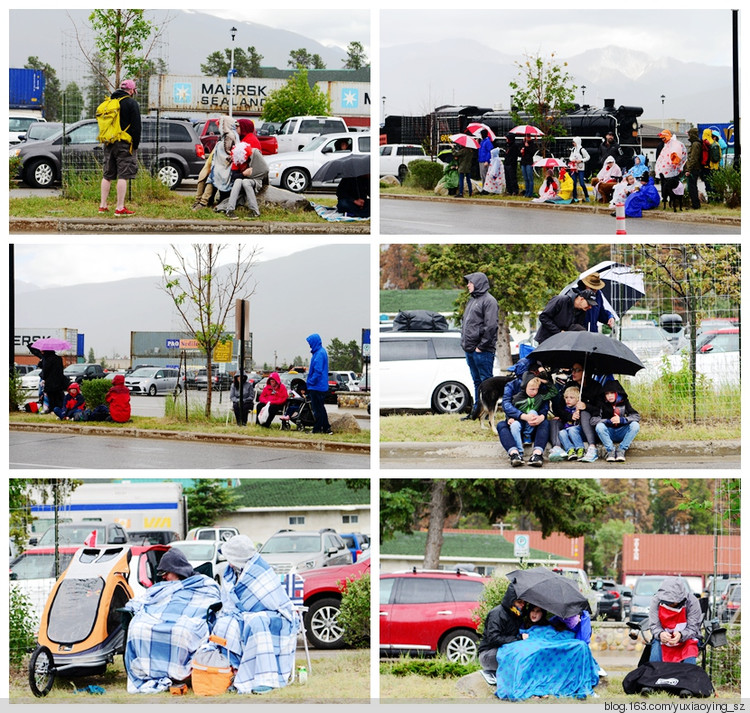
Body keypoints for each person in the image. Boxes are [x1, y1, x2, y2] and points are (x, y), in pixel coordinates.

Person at [123, 548, 222, 693]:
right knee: (138, 628)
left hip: (188, 616)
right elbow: (148, 599)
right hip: (160, 615)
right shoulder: (163, 587)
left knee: (181, 631)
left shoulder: (203, 583)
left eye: (165, 573)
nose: (163, 578)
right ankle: (150, 673)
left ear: (177, 570)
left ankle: (179, 673)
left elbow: (212, 599)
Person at [211, 535, 299, 693]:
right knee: (225, 624)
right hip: (244, 614)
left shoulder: (258, 570)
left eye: (230, 557)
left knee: (256, 621)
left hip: (277, 616)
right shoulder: (231, 572)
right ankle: (233, 670)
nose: (228, 561)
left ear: (239, 558)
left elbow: (273, 602)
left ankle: (266, 677)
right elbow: (228, 601)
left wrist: (245, 614)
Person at [494, 604, 600, 701]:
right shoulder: (523, 625)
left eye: (538, 611)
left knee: (581, 646)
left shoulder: (549, 624)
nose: (534, 614)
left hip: (551, 646)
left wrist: (579, 621)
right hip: (535, 647)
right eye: (532, 611)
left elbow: (559, 636)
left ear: (543, 613)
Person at [99, 79, 141, 217]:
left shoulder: (109, 102)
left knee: (107, 175)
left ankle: (103, 205)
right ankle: (119, 207)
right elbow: (136, 126)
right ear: (131, 90)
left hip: (109, 142)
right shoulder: (131, 103)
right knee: (123, 175)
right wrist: (135, 144)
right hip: (124, 143)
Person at [460, 272, 498, 421]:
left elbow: (491, 326)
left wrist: (481, 347)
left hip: (482, 351)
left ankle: (490, 415)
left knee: (487, 383)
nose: (468, 285)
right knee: (477, 382)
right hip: (470, 350)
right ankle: (476, 413)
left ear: (478, 282)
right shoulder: (472, 300)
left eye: (470, 282)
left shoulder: (489, 301)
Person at [497, 371, 552, 467]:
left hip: (534, 426)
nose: (534, 391)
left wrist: (541, 417)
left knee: (545, 423)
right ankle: (515, 454)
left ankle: (537, 454)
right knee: (501, 425)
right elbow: (506, 405)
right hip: (516, 424)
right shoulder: (512, 386)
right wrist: (522, 416)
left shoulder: (540, 385)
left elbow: (545, 405)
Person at [648, 577, 701, 665]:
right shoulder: (656, 600)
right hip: (663, 638)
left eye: (672, 602)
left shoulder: (692, 602)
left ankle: (688, 677)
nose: (669, 605)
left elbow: (693, 628)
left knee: (689, 663)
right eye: (667, 602)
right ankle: (656, 676)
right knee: (655, 660)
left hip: (687, 638)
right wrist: (660, 634)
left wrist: (681, 635)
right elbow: (654, 625)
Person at [477, 584, 526, 672]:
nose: (522, 605)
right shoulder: (497, 613)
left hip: (504, 650)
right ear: (511, 601)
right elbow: (493, 638)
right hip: (488, 654)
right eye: (519, 602)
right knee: (515, 655)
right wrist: (518, 638)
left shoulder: (517, 615)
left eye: (524, 602)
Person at [591, 379, 641, 462]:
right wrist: (607, 421)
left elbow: (636, 416)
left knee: (635, 425)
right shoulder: (602, 403)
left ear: (617, 393)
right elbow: (593, 420)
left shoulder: (624, 402)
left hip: (621, 432)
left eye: (612, 393)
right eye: (607, 393)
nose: (609, 396)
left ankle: (621, 450)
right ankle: (610, 451)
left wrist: (622, 420)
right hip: (608, 433)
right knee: (599, 426)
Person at [510, 374, 558, 451]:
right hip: (521, 421)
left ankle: (527, 435)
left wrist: (545, 382)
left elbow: (554, 392)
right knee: (514, 425)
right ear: (525, 387)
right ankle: (519, 451)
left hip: (533, 423)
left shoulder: (539, 396)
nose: (534, 392)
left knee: (533, 412)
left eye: (536, 389)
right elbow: (511, 410)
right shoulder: (517, 398)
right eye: (532, 389)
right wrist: (510, 418)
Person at [225, 142, 269, 220]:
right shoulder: (237, 160)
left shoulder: (254, 154)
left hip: (255, 180)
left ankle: (255, 211)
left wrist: (251, 175)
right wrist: (244, 174)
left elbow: (265, 170)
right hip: (242, 181)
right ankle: (230, 210)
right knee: (238, 180)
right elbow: (234, 176)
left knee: (246, 182)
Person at [548, 385, 585, 461]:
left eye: (571, 398)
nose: (568, 400)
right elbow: (562, 414)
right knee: (561, 432)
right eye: (566, 397)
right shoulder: (564, 409)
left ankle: (580, 449)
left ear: (578, 399)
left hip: (577, 430)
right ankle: (570, 450)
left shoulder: (578, 408)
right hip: (567, 429)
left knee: (572, 430)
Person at [306, 333, 332, 434]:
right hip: (320, 386)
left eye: (310, 343)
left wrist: (310, 382)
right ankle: (326, 428)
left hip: (317, 386)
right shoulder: (320, 352)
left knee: (317, 409)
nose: (309, 345)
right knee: (321, 408)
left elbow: (318, 371)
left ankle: (317, 429)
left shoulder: (319, 354)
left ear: (314, 342)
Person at [209, 116, 239, 202]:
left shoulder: (229, 135)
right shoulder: (232, 134)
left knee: (223, 185)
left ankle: (222, 204)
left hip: (225, 165)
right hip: (227, 165)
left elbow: (227, 151)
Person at [28, 346, 66, 413]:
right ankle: (60, 409)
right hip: (59, 381)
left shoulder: (47, 359)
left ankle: (52, 409)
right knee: (59, 397)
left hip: (49, 382)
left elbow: (45, 370)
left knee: (51, 397)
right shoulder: (59, 358)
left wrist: (44, 378)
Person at [685, 128, 703, 210]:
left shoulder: (695, 144)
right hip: (694, 168)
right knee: (692, 187)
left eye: (689, 134)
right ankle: (695, 203)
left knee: (692, 187)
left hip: (694, 169)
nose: (688, 136)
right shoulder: (695, 143)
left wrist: (689, 170)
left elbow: (693, 158)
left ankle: (695, 205)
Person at [568, 137, 590, 201]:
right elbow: (570, 157)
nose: (573, 143)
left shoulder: (582, 150)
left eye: (574, 142)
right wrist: (573, 160)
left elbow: (588, 157)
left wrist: (581, 160)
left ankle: (586, 196)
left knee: (582, 183)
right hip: (574, 167)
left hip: (580, 168)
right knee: (573, 182)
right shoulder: (573, 149)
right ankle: (575, 197)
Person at [520, 134, 538, 198]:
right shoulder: (523, 143)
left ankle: (530, 193)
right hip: (523, 162)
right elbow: (520, 153)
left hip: (529, 162)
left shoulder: (532, 144)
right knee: (525, 178)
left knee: (530, 178)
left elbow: (532, 153)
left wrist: (527, 147)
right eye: (526, 136)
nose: (527, 138)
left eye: (528, 137)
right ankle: (526, 192)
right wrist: (521, 151)